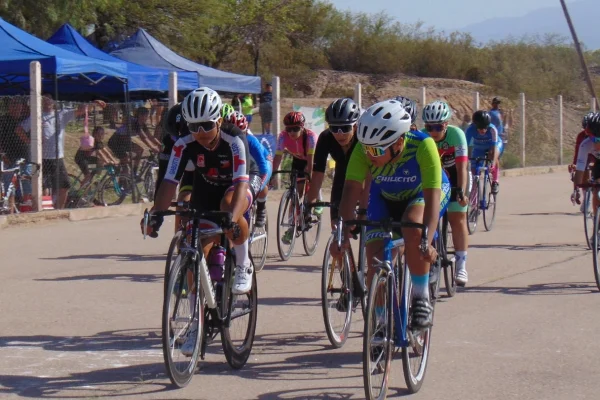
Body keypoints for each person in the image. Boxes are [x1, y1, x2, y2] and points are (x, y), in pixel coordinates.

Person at [334, 99, 450, 329]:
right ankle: (381, 321)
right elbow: (350, 191)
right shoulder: (364, 148)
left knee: (412, 226)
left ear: (398, 142)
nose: (370, 155)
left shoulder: (423, 146)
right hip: (385, 195)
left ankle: (420, 297)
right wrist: (342, 234)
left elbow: (432, 197)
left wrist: (427, 238)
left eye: (376, 149)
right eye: (366, 148)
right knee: (374, 257)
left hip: (422, 194)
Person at [144, 87, 261, 299]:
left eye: (206, 126)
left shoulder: (233, 138)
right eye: (193, 127)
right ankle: (193, 315)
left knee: (228, 206)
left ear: (218, 121)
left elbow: (240, 183)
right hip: (208, 184)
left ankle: (244, 264)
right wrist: (156, 214)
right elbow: (169, 183)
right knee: (195, 244)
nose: (199, 133)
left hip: (242, 181)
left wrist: (231, 220)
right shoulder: (183, 144)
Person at [17, 94, 106, 209]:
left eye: (50, 99)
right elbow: (19, 129)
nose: (48, 101)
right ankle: (39, 211)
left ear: (54, 101)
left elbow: (80, 111)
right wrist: (29, 141)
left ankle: (59, 211)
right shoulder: (37, 116)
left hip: (57, 158)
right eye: (45, 98)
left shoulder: (61, 114)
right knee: (40, 187)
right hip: (40, 159)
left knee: (65, 186)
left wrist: (94, 104)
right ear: (42, 101)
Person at [422, 100, 470, 286]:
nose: (433, 132)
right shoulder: (424, 137)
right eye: (429, 127)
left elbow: (462, 167)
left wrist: (461, 192)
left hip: (456, 177)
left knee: (457, 217)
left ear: (446, 124)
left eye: (438, 127)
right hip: (435, 182)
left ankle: (461, 264)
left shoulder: (457, 135)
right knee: (426, 216)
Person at [305, 98, 361, 224]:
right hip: (341, 175)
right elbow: (318, 172)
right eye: (334, 128)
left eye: (345, 128)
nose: (339, 134)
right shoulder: (326, 138)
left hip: (365, 176)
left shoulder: (363, 138)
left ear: (356, 126)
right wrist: (310, 203)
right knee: (337, 227)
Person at [270, 111, 318, 244]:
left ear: (302, 127)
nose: (291, 132)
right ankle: (291, 229)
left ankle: (315, 201)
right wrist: (273, 173)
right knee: (295, 193)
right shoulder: (283, 136)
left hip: (312, 158)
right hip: (297, 159)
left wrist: (310, 176)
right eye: (289, 129)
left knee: (311, 179)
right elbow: (278, 157)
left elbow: (310, 162)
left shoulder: (310, 137)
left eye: (295, 129)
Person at [227, 111, 271, 226]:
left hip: (263, 162)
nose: (236, 138)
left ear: (246, 131)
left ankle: (261, 208)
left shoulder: (252, 142)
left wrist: (256, 187)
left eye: (240, 134)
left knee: (258, 186)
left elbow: (263, 169)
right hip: (247, 164)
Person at [107, 106, 161, 176]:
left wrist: (160, 144)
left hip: (124, 141)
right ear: (140, 115)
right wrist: (153, 147)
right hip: (115, 142)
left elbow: (150, 137)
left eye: (147, 116)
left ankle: (134, 172)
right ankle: (123, 177)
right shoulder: (134, 122)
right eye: (145, 116)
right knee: (126, 162)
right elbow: (144, 138)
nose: (146, 118)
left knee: (140, 150)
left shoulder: (142, 124)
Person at [465, 110, 502, 194]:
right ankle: (474, 191)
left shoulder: (492, 129)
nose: (484, 130)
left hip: (493, 146)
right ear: (475, 125)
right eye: (481, 127)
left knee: (492, 156)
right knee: (474, 169)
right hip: (479, 147)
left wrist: (492, 162)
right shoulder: (470, 130)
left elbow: (494, 148)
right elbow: (465, 147)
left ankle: (495, 181)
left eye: (485, 127)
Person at [574, 113, 600, 215]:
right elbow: (580, 169)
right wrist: (576, 189)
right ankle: (596, 223)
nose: (597, 143)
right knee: (596, 189)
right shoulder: (585, 145)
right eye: (594, 139)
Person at [570, 112, 595, 205]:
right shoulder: (582, 137)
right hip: (586, 155)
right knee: (581, 169)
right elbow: (578, 152)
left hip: (595, 157)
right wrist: (574, 164)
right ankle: (585, 196)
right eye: (585, 129)